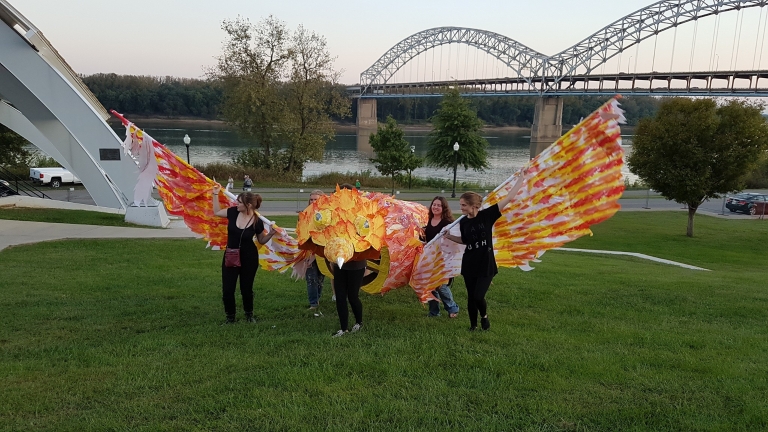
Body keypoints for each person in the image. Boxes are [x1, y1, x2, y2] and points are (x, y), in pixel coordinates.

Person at [442, 172, 528, 331]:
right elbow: (466, 241)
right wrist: (450, 237)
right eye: (460, 205)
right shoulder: (463, 223)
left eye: (463, 205)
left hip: (486, 263)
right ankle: (473, 326)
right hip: (469, 264)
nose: (460, 208)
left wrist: (521, 179)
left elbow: (508, 198)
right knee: (470, 297)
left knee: (478, 296)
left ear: (473, 206)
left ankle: (484, 316)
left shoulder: (487, 216)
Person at [212, 185, 277, 324]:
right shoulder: (232, 212)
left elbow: (261, 240)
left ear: (248, 205)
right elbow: (217, 212)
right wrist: (215, 194)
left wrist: (271, 233)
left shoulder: (257, 221)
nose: (236, 203)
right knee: (228, 289)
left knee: (246, 289)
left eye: (239, 202)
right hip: (231, 255)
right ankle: (230, 318)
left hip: (249, 258)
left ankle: (249, 315)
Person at [331, 183, 366, 337]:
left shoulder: (360, 214)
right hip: (339, 263)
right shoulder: (333, 215)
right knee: (340, 296)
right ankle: (343, 328)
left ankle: (359, 322)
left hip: (356, 264)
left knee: (352, 296)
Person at [423, 196, 460, 318]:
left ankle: (452, 308)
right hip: (429, 257)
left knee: (441, 285)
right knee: (430, 286)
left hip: (442, 259)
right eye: (434, 204)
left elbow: (452, 242)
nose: (436, 207)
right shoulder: (429, 220)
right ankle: (434, 312)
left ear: (443, 208)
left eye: (439, 205)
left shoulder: (448, 223)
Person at [305, 190, 327, 313]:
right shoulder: (305, 215)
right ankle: (313, 303)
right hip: (310, 251)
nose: (313, 202)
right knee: (311, 277)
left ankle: (317, 298)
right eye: (311, 199)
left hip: (323, 252)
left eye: (316, 199)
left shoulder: (327, 215)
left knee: (320, 278)